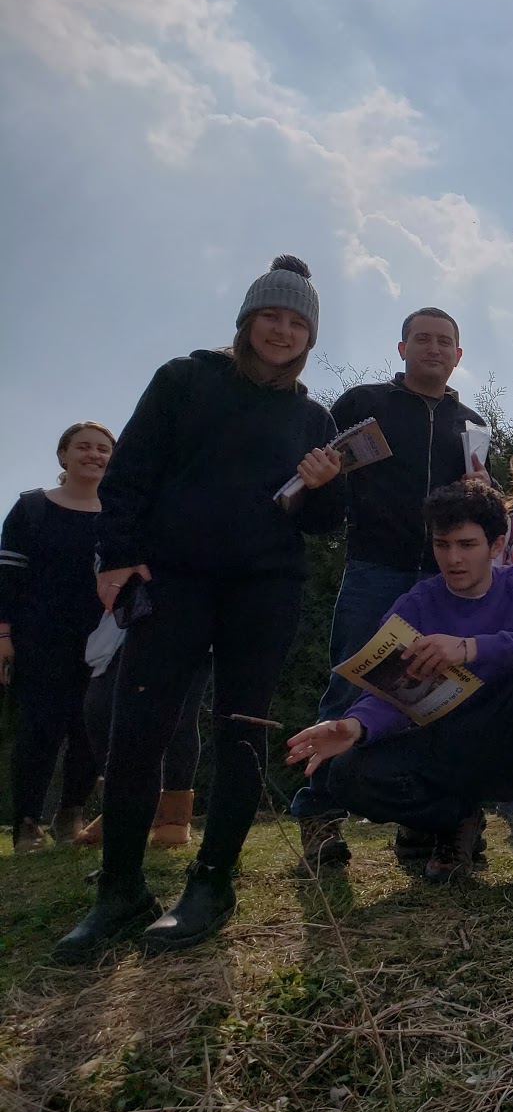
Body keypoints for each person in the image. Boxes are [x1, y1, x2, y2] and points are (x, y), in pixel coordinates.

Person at [54, 255, 346, 963]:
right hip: (175, 577)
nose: (282, 331)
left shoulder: (312, 415)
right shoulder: (185, 379)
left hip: (264, 587)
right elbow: (132, 473)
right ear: (247, 322)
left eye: (297, 322)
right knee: (140, 728)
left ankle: (211, 884)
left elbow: (321, 525)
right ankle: (118, 893)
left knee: (242, 729)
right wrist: (117, 556)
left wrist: (323, 485)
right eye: (271, 316)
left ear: (311, 335)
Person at [284, 480, 513, 906]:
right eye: (442, 545)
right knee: (349, 772)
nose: (453, 558)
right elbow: (389, 688)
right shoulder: (416, 604)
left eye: (467, 544)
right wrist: (355, 725)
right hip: (445, 745)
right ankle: (455, 822)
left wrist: (470, 648)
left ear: (497, 544)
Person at [293, 305, 489, 872]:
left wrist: (486, 489)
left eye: (444, 341)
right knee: (351, 684)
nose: (434, 349)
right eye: (422, 339)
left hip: (442, 577)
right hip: (374, 568)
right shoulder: (361, 404)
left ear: (459, 354)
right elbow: (321, 484)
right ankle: (320, 819)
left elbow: (476, 503)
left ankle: (430, 824)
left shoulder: (471, 424)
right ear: (401, 348)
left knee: (437, 695)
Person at [2, 422, 115, 849]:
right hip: (38, 638)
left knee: (88, 729)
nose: (94, 455)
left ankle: (71, 815)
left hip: (101, 639)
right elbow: (8, 578)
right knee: (38, 730)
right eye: (84, 447)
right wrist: (3, 635)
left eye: (103, 449)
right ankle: (26, 824)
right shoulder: (32, 508)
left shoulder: (117, 514)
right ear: (63, 455)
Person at [78, 634, 211, 848]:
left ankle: (173, 815)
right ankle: (123, 805)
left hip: (195, 614)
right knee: (100, 706)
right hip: (131, 617)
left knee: (181, 714)